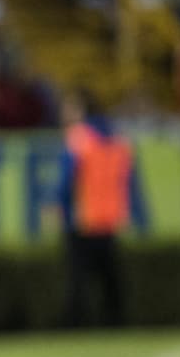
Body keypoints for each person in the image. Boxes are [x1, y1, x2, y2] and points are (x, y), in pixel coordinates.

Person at [57, 90, 144, 327]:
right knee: (110, 277)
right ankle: (117, 322)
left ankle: (76, 324)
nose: (64, 112)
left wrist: (59, 207)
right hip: (110, 217)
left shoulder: (78, 138)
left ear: (82, 109)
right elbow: (130, 181)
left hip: (83, 217)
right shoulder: (118, 139)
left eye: (69, 107)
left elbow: (66, 181)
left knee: (78, 279)